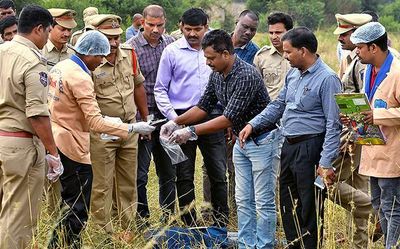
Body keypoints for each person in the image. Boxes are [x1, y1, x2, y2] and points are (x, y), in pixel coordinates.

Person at [163, 29, 277, 248]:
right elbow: (203, 106)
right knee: (243, 201)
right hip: (242, 141)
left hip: (263, 141)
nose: (207, 63)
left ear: (226, 54)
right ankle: (245, 243)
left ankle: (264, 245)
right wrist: (176, 122)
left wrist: (191, 131)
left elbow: (228, 117)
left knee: (262, 201)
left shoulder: (246, 75)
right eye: (206, 58)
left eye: (211, 58)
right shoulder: (217, 75)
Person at [47, 30, 154, 248]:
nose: (102, 61)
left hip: (60, 135)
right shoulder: (81, 77)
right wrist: (132, 127)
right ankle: (67, 244)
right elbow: (95, 122)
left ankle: (59, 243)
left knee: (69, 201)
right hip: (73, 143)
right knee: (78, 204)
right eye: (100, 56)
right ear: (90, 54)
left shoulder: (62, 67)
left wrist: (111, 123)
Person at [240, 27, 342, 249]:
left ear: (303, 51)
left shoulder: (328, 79)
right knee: (287, 203)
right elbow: (278, 105)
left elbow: (334, 124)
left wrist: (325, 162)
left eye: (288, 52)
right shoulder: (293, 74)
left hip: (311, 147)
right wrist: (253, 124)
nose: (284, 56)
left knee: (308, 207)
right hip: (288, 145)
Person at [154, 8, 228, 227]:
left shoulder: (218, 48)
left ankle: (220, 221)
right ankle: (189, 223)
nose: (193, 34)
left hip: (214, 117)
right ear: (180, 27)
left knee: (217, 171)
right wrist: (172, 119)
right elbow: (160, 88)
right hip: (181, 116)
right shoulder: (171, 51)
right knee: (183, 173)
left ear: (207, 26)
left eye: (198, 29)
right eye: (188, 29)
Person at [0, 5, 62, 248]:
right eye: (48, 31)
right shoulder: (33, 62)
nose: (47, 37)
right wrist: (53, 153)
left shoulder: (2, 51)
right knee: (18, 219)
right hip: (20, 143)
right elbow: (37, 114)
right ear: (38, 29)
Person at [89, 14, 148, 240]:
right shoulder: (91, 60)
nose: (113, 43)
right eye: (108, 38)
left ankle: (126, 227)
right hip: (103, 130)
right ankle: (102, 232)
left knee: (127, 182)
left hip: (130, 128)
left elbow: (138, 86)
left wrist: (144, 118)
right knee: (102, 184)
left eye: (116, 37)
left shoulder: (129, 54)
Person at [350, 21, 400, 249]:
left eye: (360, 47)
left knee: (393, 207)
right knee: (379, 205)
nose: (356, 51)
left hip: (392, 154)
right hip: (372, 150)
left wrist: (376, 115)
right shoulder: (367, 70)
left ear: (373, 48)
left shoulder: (397, 72)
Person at [125, 5, 175, 224]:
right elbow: (130, 88)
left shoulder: (172, 44)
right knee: (140, 174)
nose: (156, 30)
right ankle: (142, 218)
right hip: (142, 117)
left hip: (167, 116)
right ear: (141, 23)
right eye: (151, 25)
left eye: (160, 25)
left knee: (169, 172)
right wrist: (140, 121)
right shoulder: (130, 49)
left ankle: (169, 217)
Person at [332, 13, 377, 249]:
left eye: (346, 34)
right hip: (355, 133)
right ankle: (358, 243)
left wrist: (351, 136)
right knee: (357, 186)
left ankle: (379, 210)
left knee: (327, 181)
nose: (341, 38)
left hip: (359, 134)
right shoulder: (350, 58)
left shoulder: (365, 63)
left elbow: (367, 103)